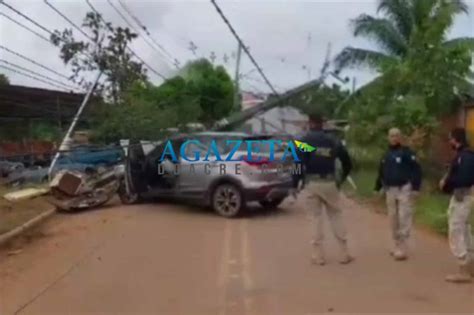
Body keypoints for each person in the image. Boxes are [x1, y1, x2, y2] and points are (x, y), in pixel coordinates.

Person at [300, 114, 353, 265]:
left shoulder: (304, 142)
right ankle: (344, 253)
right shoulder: (333, 141)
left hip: (312, 183)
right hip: (330, 183)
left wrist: (296, 182)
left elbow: (298, 163)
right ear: (323, 123)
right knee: (336, 216)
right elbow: (347, 162)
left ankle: (318, 256)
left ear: (310, 123)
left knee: (315, 219)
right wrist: (340, 180)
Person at [374, 128, 422, 261]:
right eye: (391, 136)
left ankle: (403, 246)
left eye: (396, 136)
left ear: (400, 137)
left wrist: (416, 188)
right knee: (393, 218)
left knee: (404, 216)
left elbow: (417, 170)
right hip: (390, 189)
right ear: (388, 138)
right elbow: (381, 173)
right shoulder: (386, 155)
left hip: (404, 188)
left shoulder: (407, 153)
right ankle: (396, 244)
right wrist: (377, 188)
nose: (394, 138)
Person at [439, 128, 474, 283]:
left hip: (462, 197)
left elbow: (464, 178)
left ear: (456, 139)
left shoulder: (465, 157)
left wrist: (446, 182)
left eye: (450, 139)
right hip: (463, 196)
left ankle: (464, 268)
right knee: (464, 228)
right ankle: (470, 264)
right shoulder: (464, 156)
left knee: (456, 228)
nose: (449, 142)